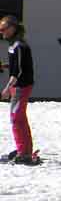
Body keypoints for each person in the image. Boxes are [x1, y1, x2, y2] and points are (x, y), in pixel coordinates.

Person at [0, 16, 36, 164]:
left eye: (3, 29)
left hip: (21, 86)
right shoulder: (13, 45)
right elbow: (17, 65)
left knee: (16, 118)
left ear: (12, 28)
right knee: (20, 118)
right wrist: (5, 66)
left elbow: (19, 71)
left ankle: (24, 153)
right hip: (18, 86)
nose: (1, 33)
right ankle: (24, 149)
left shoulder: (19, 46)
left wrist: (7, 88)